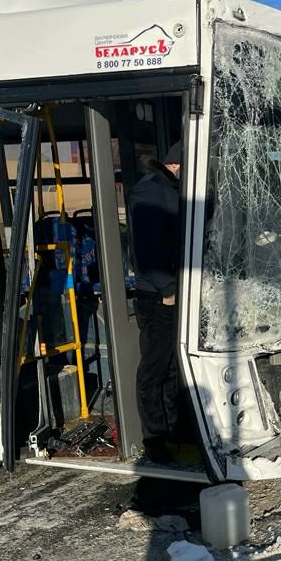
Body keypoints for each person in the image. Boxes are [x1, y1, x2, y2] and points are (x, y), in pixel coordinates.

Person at [128, 139, 182, 464]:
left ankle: (174, 432)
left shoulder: (170, 189)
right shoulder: (150, 191)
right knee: (154, 368)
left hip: (175, 293)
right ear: (177, 165)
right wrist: (167, 290)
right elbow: (146, 251)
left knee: (173, 367)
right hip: (159, 297)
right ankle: (155, 441)